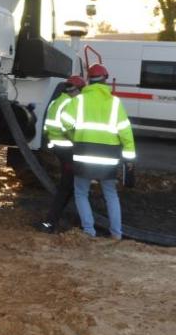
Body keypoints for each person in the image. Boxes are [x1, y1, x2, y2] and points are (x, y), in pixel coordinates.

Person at [60, 63, 136, 240]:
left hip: (84, 153)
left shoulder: (78, 101)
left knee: (81, 192)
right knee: (110, 194)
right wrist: (130, 158)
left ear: (89, 81)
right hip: (108, 157)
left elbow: (65, 121)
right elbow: (126, 132)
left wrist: (74, 135)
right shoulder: (115, 102)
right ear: (105, 80)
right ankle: (116, 234)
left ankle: (89, 232)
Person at [37, 75, 86, 233]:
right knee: (69, 186)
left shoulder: (57, 100)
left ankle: (53, 221)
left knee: (69, 186)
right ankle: (52, 222)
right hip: (67, 148)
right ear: (76, 89)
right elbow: (68, 127)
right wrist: (78, 140)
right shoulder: (71, 102)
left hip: (57, 146)